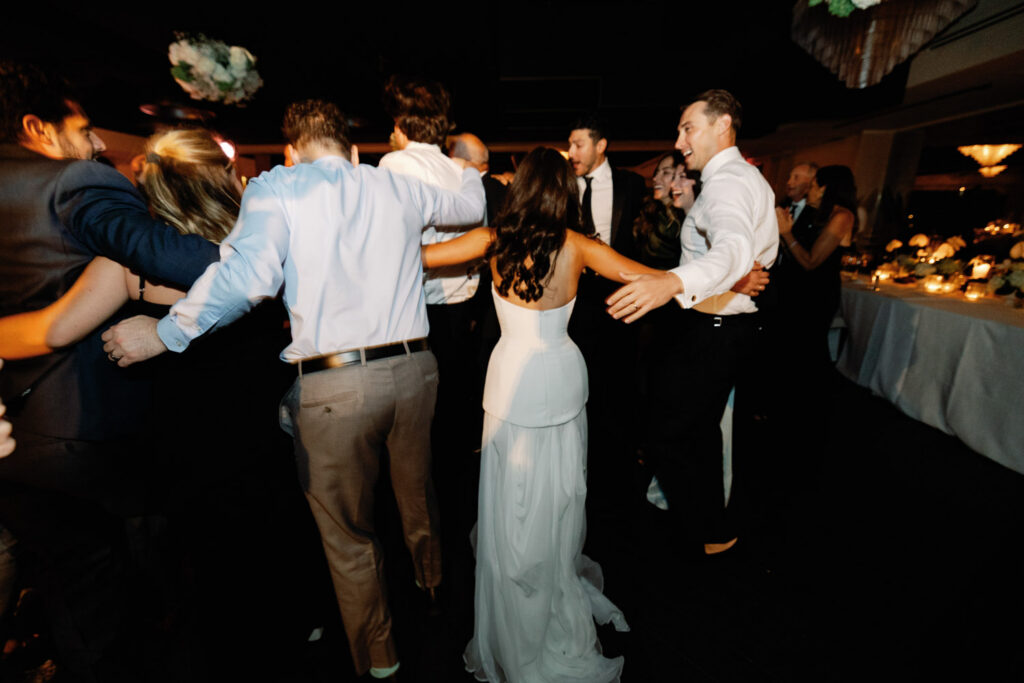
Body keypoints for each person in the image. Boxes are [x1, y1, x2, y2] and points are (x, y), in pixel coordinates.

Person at [101, 99, 486, 681]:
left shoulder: (278, 187)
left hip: (335, 387)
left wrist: (165, 332)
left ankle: (381, 662)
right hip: (416, 371)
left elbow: (249, 278)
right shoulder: (398, 186)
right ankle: (432, 589)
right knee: (417, 491)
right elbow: (471, 204)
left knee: (348, 536)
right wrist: (460, 161)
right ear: (354, 150)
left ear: (291, 149)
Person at [0, 59, 219, 679]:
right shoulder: (72, 183)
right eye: (86, 128)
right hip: (84, 438)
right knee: (111, 609)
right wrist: (259, 254)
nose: (98, 145)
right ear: (37, 127)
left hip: (15, 440)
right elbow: (168, 254)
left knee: (66, 592)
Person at [422, 146, 662, 682]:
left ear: (519, 187)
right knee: (559, 491)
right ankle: (550, 574)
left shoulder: (490, 240)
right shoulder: (578, 246)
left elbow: (417, 258)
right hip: (561, 373)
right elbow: (649, 278)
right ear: (565, 192)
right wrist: (721, 278)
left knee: (510, 490)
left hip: (510, 377)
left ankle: (515, 587)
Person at [607, 89, 779, 556]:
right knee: (693, 430)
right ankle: (708, 526)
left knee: (676, 432)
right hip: (714, 327)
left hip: (714, 332)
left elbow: (734, 248)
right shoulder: (734, 178)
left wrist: (671, 283)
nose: (680, 140)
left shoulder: (728, 183)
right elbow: (727, 250)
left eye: (688, 128)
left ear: (723, 124)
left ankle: (708, 532)